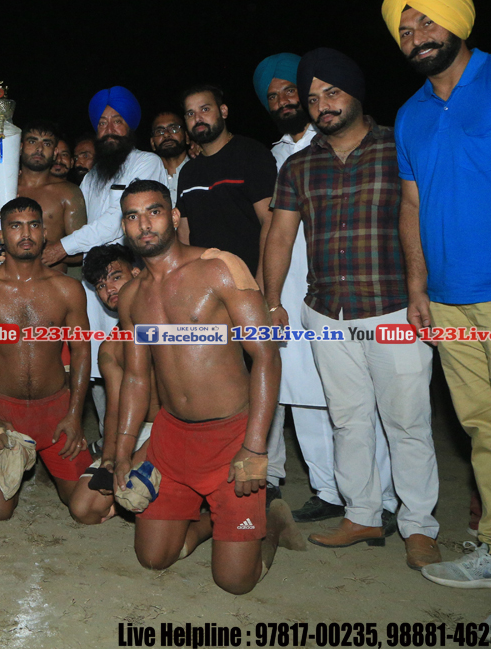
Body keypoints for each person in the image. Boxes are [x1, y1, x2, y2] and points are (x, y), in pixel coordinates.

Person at [383, 0, 491, 625]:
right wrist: (418, 287)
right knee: (482, 430)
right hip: (447, 302)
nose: (416, 36)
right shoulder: (411, 114)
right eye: (404, 29)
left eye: (427, 22)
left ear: (457, 21)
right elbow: (411, 203)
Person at [264, 48, 440, 570]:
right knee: (348, 420)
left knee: (407, 423)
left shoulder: (397, 146)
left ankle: (418, 526)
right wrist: (272, 301)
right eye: (313, 98)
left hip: (393, 309)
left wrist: (422, 290)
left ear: (356, 93)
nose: (322, 105)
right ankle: (362, 514)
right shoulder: (299, 165)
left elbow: (424, 216)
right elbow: (279, 236)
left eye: (332, 93)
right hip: (327, 312)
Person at [112, 179, 300, 595]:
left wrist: (255, 447)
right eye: (133, 216)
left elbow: (266, 355)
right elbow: (137, 378)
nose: (145, 224)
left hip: (231, 437)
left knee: (234, 582)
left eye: (154, 211)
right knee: (153, 558)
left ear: (174, 216)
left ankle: (270, 524)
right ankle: (212, 525)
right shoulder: (131, 297)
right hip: (171, 438)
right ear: (124, 227)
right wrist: (122, 452)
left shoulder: (219, 268)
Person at [253, 53, 396, 527]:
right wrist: (269, 295)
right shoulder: (275, 156)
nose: (283, 101)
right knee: (300, 394)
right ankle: (328, 489)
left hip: (347, 289)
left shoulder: (340, 143)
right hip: (292, 293)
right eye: (273, 96)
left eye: (290, 92)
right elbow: (272, 232)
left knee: (365, 402)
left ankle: (384, 499)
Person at [0, 197, 92, 521]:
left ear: (44, 233)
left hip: (56, 408)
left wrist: (75, 415)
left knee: (86, 508)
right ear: (1, 235)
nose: (26, 233)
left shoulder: (68, 288)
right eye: (15, 226)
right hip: (4, 411)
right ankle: (28, 459)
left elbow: (81, 350)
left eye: (33, 225)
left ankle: (46, 461)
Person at [69, 243, 154, 525]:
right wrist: (109, 459)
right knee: (83, 508)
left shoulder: (167, 326)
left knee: (142, 503)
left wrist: (137, 456)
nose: (109, 290)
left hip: (175, 431)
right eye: (101, 286)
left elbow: (185, 406)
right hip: (134, 430)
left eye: (116, 277)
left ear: (136, 273)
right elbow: (116, 409)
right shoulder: (110, 347)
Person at [42, 87, 166, 267]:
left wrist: (62, 247)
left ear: (129, 127)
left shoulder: (147, 162)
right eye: (102, 123)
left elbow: (118, 219)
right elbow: (75, 216)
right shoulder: (91, 176)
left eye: (117, 121)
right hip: (92, 275)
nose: (109, 130)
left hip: (130, 271)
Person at [177, 84, 276, 288]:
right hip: (205, 288)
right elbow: (184, 237)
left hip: (248, 283)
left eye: (205, 109)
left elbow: (270, 222)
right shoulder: (187, 173)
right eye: (190, 113)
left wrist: (261, 285)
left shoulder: (252, 154)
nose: (198, 118)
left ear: (223, 111)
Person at [18, 121, 86, 267]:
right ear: (20, 147)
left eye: (47, 143)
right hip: (6, 278)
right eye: (32, 141)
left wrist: (52, 251)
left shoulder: (68, 192)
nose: (39, 148)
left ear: (54, 153)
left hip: (52, 278)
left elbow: (82, 251)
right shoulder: (3, 188)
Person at [148, 111, 190, 206]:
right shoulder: (147, 176)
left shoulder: (201, 171)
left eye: (174, 129)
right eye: (159, 131)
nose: (166, 134)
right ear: (152, 143)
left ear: (187, 137)